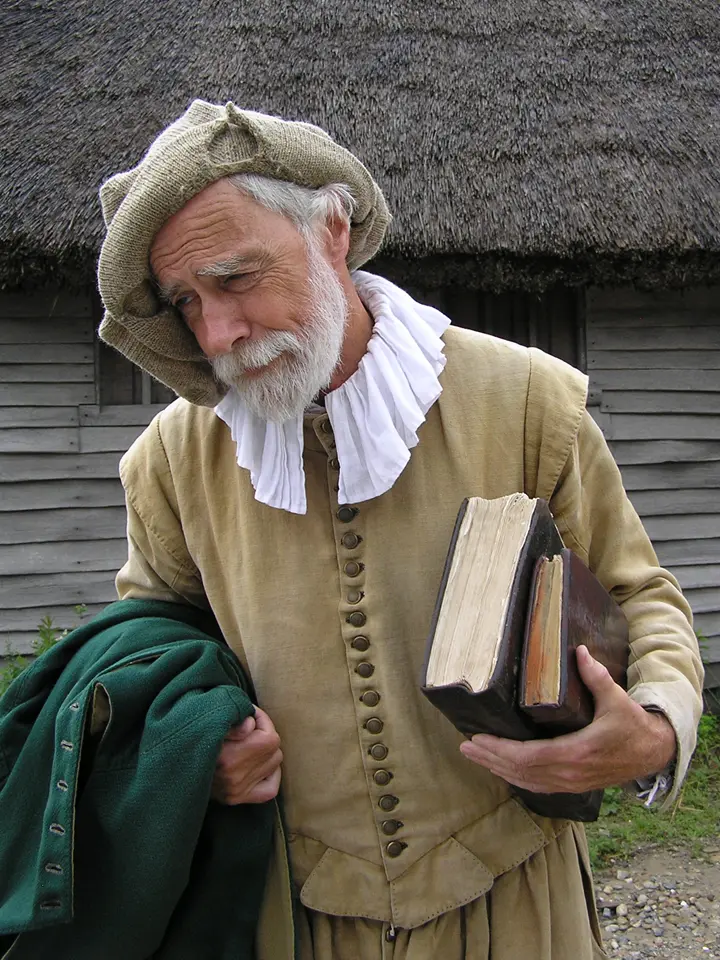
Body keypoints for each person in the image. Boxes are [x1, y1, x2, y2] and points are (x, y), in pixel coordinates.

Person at [97, 100, 703, 959]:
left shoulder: (526, 400)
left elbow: (644, 594)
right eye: (188, 302)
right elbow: (151, 658)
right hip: (293, 920)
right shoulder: (171, 462)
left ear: (332, 230)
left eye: (235, 278)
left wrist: (654, 725)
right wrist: (196, 748)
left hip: (517, 904)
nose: (219, 332)